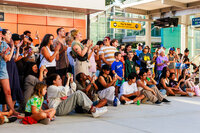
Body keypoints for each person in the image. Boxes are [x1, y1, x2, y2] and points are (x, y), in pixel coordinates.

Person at [2, 29, 24, 112]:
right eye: (8, 33)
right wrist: (12, 47)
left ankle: (11, 108)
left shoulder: (10, 45)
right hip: (7, 67)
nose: (10, 35)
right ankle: (6, 108)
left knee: (15, 86)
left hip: (13, 66)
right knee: (8, 87)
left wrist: (17, 48)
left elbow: (15, 58)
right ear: (3, 36)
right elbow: (8, 58)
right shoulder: (4, 45)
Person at [0, 27, 19, 115]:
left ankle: (12, 111)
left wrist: (11, 48)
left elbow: (7, 58)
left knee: (8, 92)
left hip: (3, 70)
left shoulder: (4, 44)